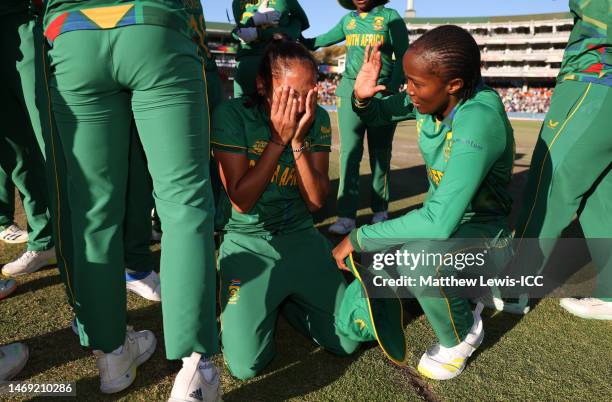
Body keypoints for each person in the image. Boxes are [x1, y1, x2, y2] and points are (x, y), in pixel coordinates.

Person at [43, 0, 220, 398]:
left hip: (73, 33)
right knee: (184, 205)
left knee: (92, 212)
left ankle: (112, 357)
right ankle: (196, 370)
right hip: (154, 26)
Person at [332, 26, 515, 380]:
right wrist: (362, 98)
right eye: (407, 81)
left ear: (454, 84)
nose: (409, 92)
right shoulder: (431, 98)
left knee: (418, 260)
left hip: (486, 233)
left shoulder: (479, 117)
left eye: (416, 84)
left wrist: (358, 237)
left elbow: (437, 223)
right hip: (448, 225)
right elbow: (378, 114)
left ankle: (462, 335)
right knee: (352, 322)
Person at [211, 37, 361, 380]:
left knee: (346, 342)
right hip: (247, 239)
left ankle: (290, 300)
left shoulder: (316, 119)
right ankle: (276, 298)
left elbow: (315, 202)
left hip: (298, 235)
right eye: (292, 93)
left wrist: (296, 141)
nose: (303, 103)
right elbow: (242, 201)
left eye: (310, 91)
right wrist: (278, 140)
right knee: (246, 366)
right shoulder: (232, 115)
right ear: (264, 85)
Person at [498, 0, 612, 319]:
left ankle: (512, 285)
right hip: (601, 83)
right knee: (600, 195)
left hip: (593, 80)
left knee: (548, 187)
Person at [302, 0, 409, 235]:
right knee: (349, 154)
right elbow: (320, 40)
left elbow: (403, 56)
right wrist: (291, 35)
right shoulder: (348, 20)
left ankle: (380, 211)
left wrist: (391, 86)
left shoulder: (391, 17)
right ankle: (346, 217)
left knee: (380, 154)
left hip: (382, 92)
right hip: (348, 92)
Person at [1, 0, 56, 276]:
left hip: (23, 18)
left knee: (47, 136)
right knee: (13, 149)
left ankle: (75, 237)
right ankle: (45, 239)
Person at [232, 0, 310, 97]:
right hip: (246, 63)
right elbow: (239, 31)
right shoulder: (237, 2)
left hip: (276, 60)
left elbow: (301, 23)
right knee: (240, 107)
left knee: (277, 107)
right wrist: (253, 20)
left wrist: (262, 33)